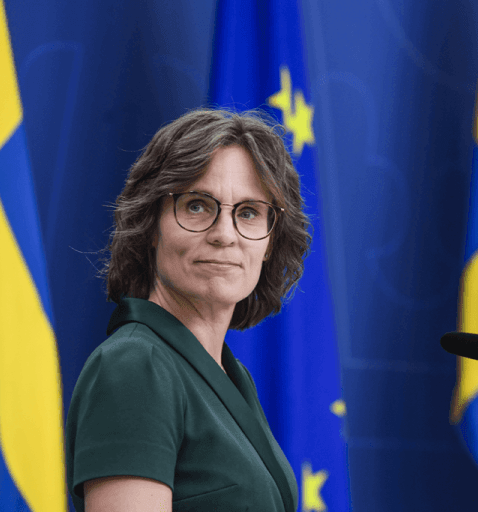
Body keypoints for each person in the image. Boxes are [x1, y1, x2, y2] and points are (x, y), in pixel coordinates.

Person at [65, 108, 310, 512]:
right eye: (197, 206)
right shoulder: (135, 365)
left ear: (270, 242)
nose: (224, 235)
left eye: (249, 212)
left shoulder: (230, 376)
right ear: (151, 224)